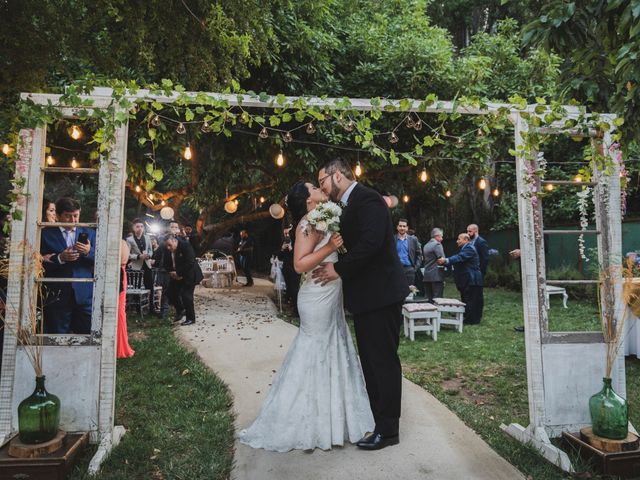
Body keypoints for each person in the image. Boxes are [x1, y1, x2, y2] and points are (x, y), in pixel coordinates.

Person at [239, 181, 374, 452]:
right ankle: (302, 420)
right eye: (314, 188)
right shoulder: (306, 224)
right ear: (308, 200)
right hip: (317, 296)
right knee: (315, 350)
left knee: (332, 348)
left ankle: (333, 420)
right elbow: (299, 264)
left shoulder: (320, 219)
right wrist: (330, 247)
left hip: (330, 294)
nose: (319, 189)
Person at [313, 158, 409, 450]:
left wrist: (338, 270)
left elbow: (371, 244)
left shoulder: (368, 199)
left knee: (382, 362)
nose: (323, 188)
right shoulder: (345, 206)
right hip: (367, 297)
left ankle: (389, 431)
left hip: (380, 294)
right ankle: (379, 420)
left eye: (323, 182)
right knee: (370, 360)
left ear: (338, 175)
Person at [40, 197, 96, 334]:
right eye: (68, 216)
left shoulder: (90, 232)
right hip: (57, 296)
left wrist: (89, 252)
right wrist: (60, 258)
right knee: (57, 337)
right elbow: (37, 263)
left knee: (88, 336)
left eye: (76, 216)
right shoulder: (45, 234)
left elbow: (103, 259)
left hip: (84, 295)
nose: (73, 220)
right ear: (58, 216)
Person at [438, 233, 483, 324]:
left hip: (472, 279)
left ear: (466, 240)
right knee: (467, 298)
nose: (457, 241)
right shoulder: (466, 248)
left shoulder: (469, 248)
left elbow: (460, 257)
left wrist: (446, 260)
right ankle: (468, 317)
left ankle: (471, 320)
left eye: (459, 239)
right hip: (468, 279)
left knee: (471, 299)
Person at [164, 234, 203, 326]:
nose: (168, 247)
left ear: (174, 241)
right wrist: (171, 272)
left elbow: (190, 262)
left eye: (169, 245)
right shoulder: (167, 249)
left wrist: (179, 273)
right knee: (170, 293)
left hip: (190, 274)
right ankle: (181, 310)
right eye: (166, 245)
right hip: (176, 274)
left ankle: (191, 318)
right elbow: (165, 263)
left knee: (186, 296)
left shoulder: (185, 246)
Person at [126, 219, 155, 310]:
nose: (140, 228)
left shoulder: (147, 237)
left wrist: (148, 255)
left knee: (150, 286)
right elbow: (128, 254)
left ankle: (151, 308)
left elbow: (151, 250)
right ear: (133, 228)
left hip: (147, 265)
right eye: (137, 226)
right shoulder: (129, 239)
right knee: (137, 287)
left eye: (141, 226)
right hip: (136, 266)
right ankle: (137, 308)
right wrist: (138, 256)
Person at [117, 239, 135, 359]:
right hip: (122, 273)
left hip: (118, 274)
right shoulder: (123, 242)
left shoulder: (120, 243)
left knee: (118, 313)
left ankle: (120, 347)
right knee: (120, 313)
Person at [394, 219, 422, 289]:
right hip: (396, 269)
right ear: (397, 227)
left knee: (409, 293)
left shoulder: (413, 239)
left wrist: (415, 268)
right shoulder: (392, 239)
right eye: (400, 226)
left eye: (404, 226)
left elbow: (419, 254)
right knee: (397, 290)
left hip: (409, 269)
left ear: (407, 228)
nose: (402, 228)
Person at [278, 225, 300, 311]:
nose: (286, 235)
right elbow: (279, 257)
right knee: (289, 287)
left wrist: (291, 248)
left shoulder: (296, 242)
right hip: (286, 267)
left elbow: (297, 255)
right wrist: (282, 249)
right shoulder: (284, 242)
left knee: (295, 287)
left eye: (287, 233)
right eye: (285, 233)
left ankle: (296, 308)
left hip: (294, 268)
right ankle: (291, 304)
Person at [422, 228, 446, 302]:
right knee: (437, 299)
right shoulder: (437, 244)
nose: (442, 239)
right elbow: (442, 259)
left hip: (427, 275)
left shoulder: (426, 245)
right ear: (437, 236)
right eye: (441, 236)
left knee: (429, 299)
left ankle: (429, 313)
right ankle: (437, 314)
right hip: (437, 275)